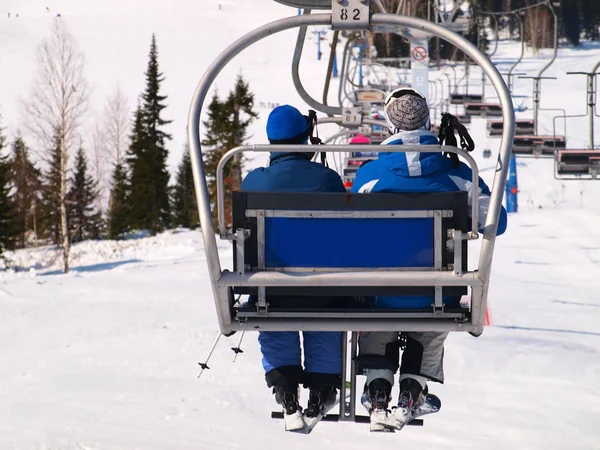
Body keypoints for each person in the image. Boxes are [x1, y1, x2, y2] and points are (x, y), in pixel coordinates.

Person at [351, 87, 508, 430]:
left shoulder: (369, 177)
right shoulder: (457, 174)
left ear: (389, 125)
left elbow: (348, 230)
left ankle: (378, 388)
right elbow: (498, 221)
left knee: (380, 317)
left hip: (380, 293)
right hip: (437, 292)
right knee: (432, 324)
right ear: (428, 122)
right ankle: (413, 389)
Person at [241, 105, 346, 421]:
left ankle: (285, 389)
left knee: (273, 306)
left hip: (271, 288)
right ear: (306, 139)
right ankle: (323, 388)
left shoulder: (254, 182)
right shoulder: (327, 180)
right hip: (324, 290)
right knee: (324, 311)